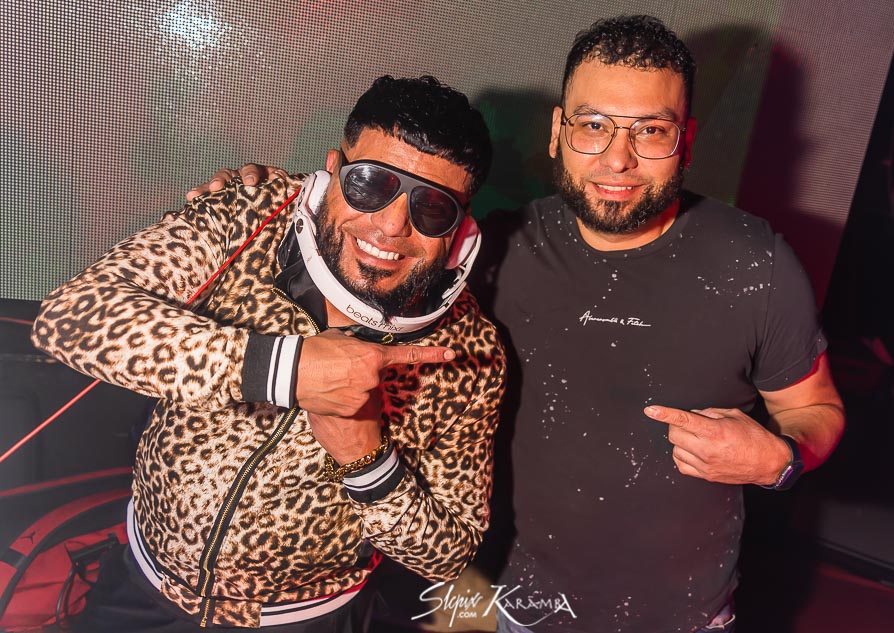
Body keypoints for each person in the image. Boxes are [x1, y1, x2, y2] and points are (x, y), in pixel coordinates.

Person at [190, 15, 845, 633]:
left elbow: (817, 409)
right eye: (593, 125)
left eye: (650, 131)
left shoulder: (755, 263)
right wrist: (272, 199)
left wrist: (779, 459)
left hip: (685, 616)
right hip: (518, 608)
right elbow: (374, 232)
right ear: (558, 131)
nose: (617, 158)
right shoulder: (490, 250)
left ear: (686, 141)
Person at [30, 75, 506, 632]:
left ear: (461, 229)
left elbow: (448, 553)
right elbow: (70, 318)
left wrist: (368, 461)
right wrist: (286, 369)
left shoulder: (468, 352)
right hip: (142, 586)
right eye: (371, 184)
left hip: (308, 619)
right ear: (333, 170)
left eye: (432, 208)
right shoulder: (249, 214)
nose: (391, 225)